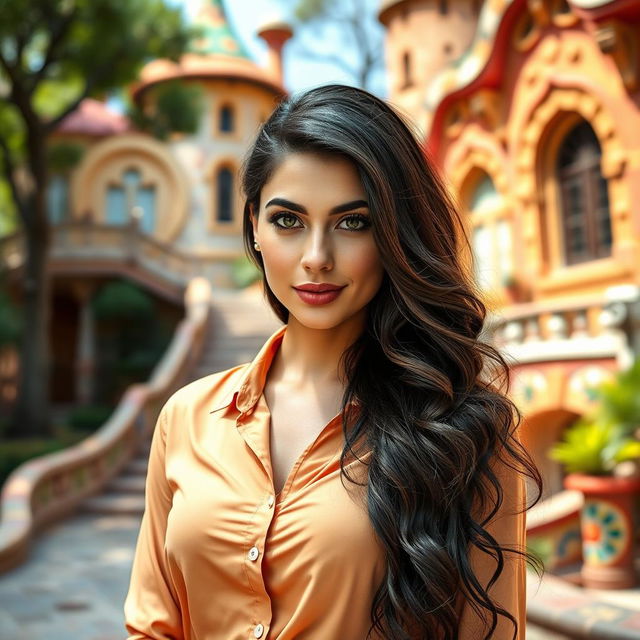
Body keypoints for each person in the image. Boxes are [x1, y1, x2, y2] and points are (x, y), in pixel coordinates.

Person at [123, 83, 542, 640]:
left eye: (353, 222)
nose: (316, 258)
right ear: (253, 226)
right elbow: (152, 626)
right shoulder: (187, 419)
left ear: (396, 232)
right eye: (288, 221)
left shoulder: (465, 430)